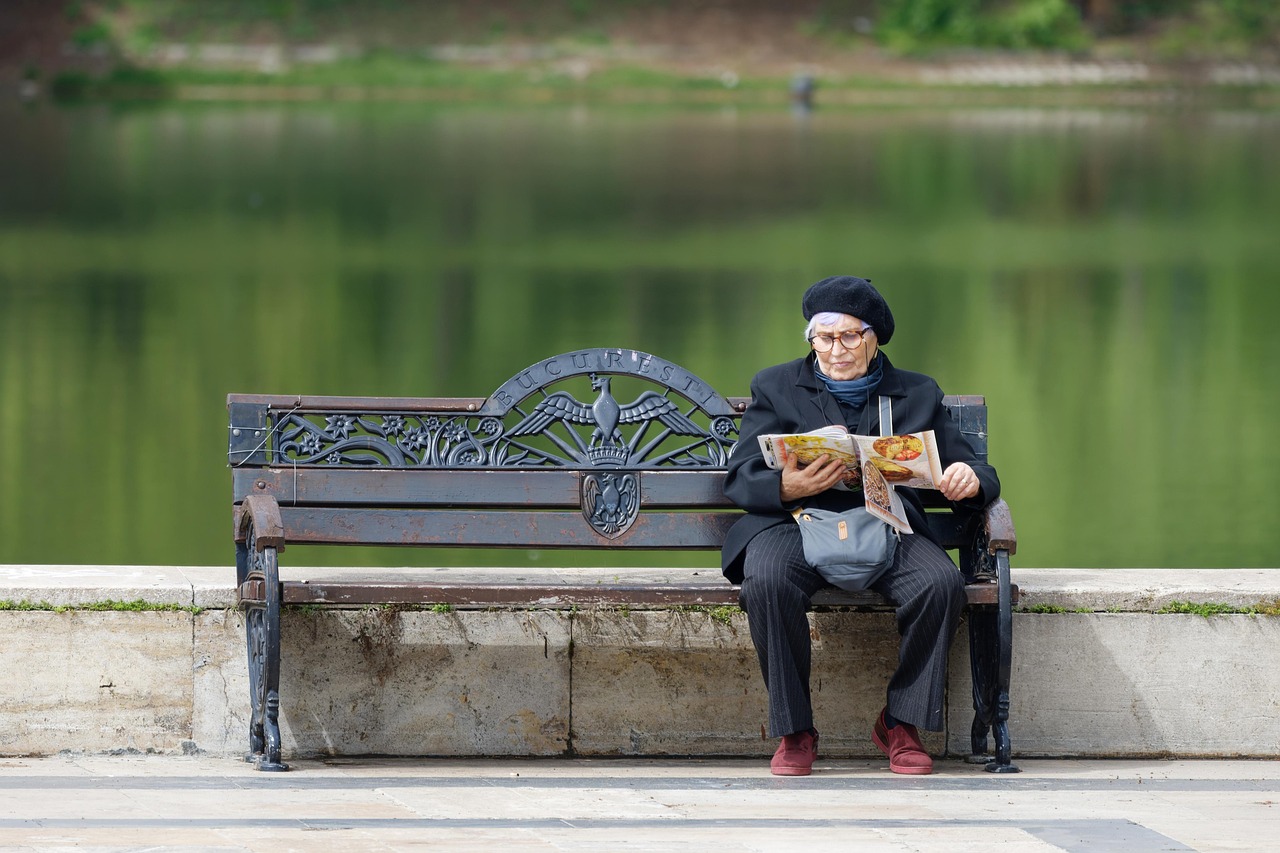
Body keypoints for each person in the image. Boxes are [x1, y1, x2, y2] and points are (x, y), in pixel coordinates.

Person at [721, 275, 1000, 777]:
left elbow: (975, 472)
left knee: (939, 584)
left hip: (887, 523)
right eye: (824, 338)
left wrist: (967, 479)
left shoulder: (916, 392)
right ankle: (795, 731)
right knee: (765, 580)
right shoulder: (776, 385)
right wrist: (787, 487)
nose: (836, 349)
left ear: (874, 339)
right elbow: (740, 477)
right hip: (795, 523)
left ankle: (901, 723)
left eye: (849, 336)